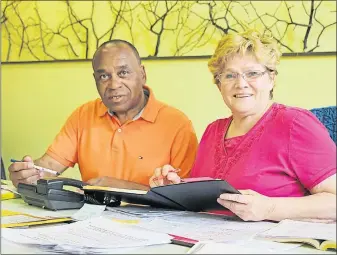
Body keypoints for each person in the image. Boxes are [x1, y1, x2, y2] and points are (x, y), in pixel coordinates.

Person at [150, 29, 336, 222]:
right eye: (230, 76)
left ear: (271, 79)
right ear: (219, 84)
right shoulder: (213, 131)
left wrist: (270, 208)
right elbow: (205, 199)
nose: (241, 84)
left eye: (252, 73)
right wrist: (172, 188)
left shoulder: (296, 124)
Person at [9, 40, 198, 189]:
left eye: (123, 73)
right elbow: (49, 166)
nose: (114, 84)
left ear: (142, 74)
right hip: (92, 224)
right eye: (104, 76)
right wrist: (28, 173)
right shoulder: (84, 115)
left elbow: (185, 196)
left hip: (154, 227)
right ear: (95, 80)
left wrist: (122, 189)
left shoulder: (177, 124)